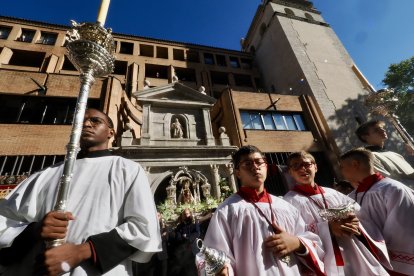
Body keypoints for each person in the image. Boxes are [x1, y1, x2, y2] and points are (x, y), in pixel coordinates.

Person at [0, 108, 161, 275]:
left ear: (110, 132)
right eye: (80, 121)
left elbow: (143, 229)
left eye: (95, 121)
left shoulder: (127, 169)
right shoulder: (44, 175)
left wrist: (83, 251)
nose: (85, 124)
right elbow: (4, 221)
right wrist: (35, 230)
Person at [197, 145, 325, 276]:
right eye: (247, 163)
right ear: (237, 172)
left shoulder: (286, 207)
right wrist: (222, 269)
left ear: (266, 167)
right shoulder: (227, 210)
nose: (255, 167)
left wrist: (297, 243)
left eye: (259, 162)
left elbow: (311, 240)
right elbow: (213, 253)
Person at [284, 151, 390, 275]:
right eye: (296, 165)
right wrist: (328, 228)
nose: (302, 168)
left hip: (353, 249)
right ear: (290, 172)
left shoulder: (333, 193)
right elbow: (294, 234)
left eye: (307, 164)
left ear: (315, 167)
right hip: (325, 259)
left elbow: (361, 215)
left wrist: (355, 222)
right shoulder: (288, 202)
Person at [340, 148, 414, 275]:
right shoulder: (350, 197)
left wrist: (381, 255)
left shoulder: (394, 189)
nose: (341, 171)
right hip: (369, 263)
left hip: (396, 266)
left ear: (355, 164)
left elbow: (403, 230)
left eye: (342, 167)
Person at [355, 120, 414, 188]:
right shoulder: (370, 157)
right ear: (365, 137)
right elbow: (390, 183)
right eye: (377, 130)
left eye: (382, 128)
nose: (383, 130)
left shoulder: (395, 154)